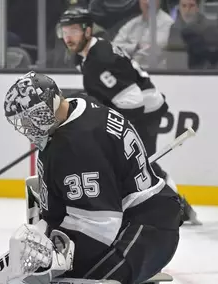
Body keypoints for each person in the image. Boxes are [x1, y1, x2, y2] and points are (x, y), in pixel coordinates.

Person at [1, 71, 196, 284]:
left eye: (35, 117)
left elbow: (99, 225)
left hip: (149, 226)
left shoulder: (77, 142)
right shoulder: (75, 112)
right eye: (24, 122)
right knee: (64, 282)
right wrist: (43, 238)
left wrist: (58, 257)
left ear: (53, 103)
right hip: (131, 222)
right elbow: (56, 212)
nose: (30, 127)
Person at [58, 7, 200, 224]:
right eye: (65, 31)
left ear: (88, 31)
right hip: (135, 109)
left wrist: (105, 122)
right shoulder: (84, 56)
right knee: (125, 161)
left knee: (144, 164)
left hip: (144, 112)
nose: (68, 37)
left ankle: (179, 206)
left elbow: (133, 102)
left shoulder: (102, 58)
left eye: (74, 30)